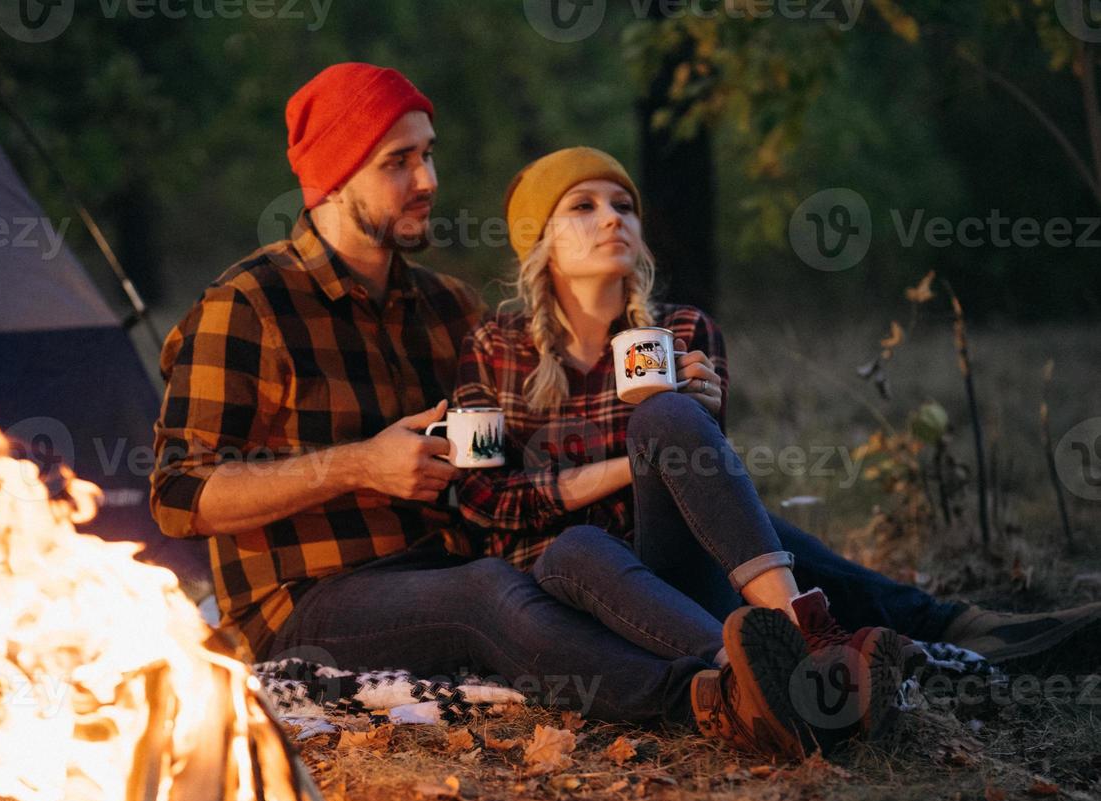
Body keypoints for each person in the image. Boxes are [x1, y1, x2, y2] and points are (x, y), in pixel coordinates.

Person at [150, 64, 824, 760]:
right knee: (487, 594)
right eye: (398, 162)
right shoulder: (249, 306)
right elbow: (179, 495)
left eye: (429, 154)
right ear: (332, 179)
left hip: (448, 559)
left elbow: (501, 464)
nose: (429, 181)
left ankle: (806, 646)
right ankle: (719, 693)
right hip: (308, 596)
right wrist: (359, 466)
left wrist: (667, 440)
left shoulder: (446, 307)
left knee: (564, 566)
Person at [453, 146, 1101, 750]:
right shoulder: (495, 348)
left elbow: (708, 496)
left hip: (671, 572)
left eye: (624, 205)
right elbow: (480, 499)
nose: (613, 219)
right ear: (538, 241)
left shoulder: (682, 330)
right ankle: (906, 640)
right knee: (580, 546)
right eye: (584, 206)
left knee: (673, 417)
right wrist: (628, 467)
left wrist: (696, 423)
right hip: (568, 589)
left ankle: (816, 640)